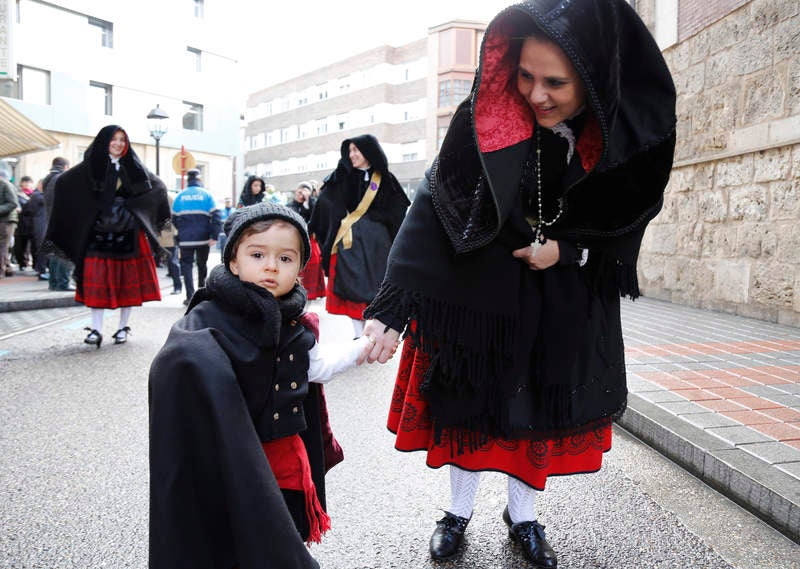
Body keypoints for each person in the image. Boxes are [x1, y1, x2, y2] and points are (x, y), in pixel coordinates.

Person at [359, 1, 677, 566]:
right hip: (477, 297)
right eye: (525, 76)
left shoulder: (627, 138)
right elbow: (436, 204)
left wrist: (567, 250)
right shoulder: (482, 113)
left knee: (537, 418)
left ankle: (524, 518)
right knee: (470, 408)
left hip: (565, 301)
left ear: (594, 79)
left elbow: (625, 223)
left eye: (555, 82)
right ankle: (456, 514)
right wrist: (394, 304)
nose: (535, 95)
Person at [149, 202, 373, 568]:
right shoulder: (209, 316)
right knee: (235, 541)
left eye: (286, 259)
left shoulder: (298, 323)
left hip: (285, 460)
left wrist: (362, 347)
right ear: (234, 261)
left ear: (300, 270)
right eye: (258, 254)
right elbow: (182, 359)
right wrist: (194, 357)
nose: (271, 265)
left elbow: (318, 367)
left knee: (281, 538)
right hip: (231, 460)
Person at [45, 125, 170, 348]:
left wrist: (134, 209)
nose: (119, 143)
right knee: (97, 283)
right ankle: (96, 329)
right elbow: (64, 183)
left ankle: (123, 327)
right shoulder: (90, 166)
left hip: (129, 233)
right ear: (105, 141)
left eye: (123, 139)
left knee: (127, 282)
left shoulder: (134, 166)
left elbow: (159, 187)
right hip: (98, 232)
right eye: (114, 139)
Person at [308, 135, 409, 338]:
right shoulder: (342, 176)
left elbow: (398, 209)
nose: (352, 155)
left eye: (356, 150)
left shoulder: (385, 179)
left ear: (369, 152)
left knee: (377, 285)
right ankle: (357, 334)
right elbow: (325, 204)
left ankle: (373, 329)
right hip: (349, 243)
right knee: (351, 282)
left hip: (378, 244)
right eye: (350, 151)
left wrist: (380, 221)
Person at [171, 168, 221, 306]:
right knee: (202, 265)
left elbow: (173, 218)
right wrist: (214, 236)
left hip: (185, 239)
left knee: (186, 266)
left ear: (188, 180)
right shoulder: (207, 195)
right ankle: (201, 293)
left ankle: (189, 296)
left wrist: (182, 231)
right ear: (199, 179)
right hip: (203, 239)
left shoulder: (180, 196)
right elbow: (216, 217)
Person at [288, 181, 326, 301]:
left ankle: (312, 292)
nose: (301, 195)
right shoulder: (290, 206)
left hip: (309, 240)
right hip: (293, 240)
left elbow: (317, 218)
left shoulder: (311, 205)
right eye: (299, 191)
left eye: (304, 192)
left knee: (313, 263)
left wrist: (308, 202)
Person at [42, 157, 74, 291]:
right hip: (63, 220)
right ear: (65, 166)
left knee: (55, 253)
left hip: (51, 219)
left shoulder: (48, 178)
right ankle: (64, 282)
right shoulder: (61, 178)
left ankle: (54, 283)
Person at [15, 178, 48, 280]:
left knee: (36, 247)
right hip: (32, 225)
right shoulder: (38, 196)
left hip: (34, 225)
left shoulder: (35, 195)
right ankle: (39, 270)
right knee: (34, 247)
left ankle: (38, 268)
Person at [157, 191, 181, 295]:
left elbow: (170, 218)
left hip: (168, 236)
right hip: (160, 235)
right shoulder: (160, 196)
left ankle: (177, 286)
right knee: (171, 261)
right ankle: (177, 286)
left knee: (172, 261)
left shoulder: (168, 198)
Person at [0, 169, 19, 278]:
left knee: (2, 245)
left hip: (6, 220)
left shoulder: (5, 185)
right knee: (3, 245)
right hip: (3, 219)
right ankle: (7, 268)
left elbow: (13, 203)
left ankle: (2, 270)